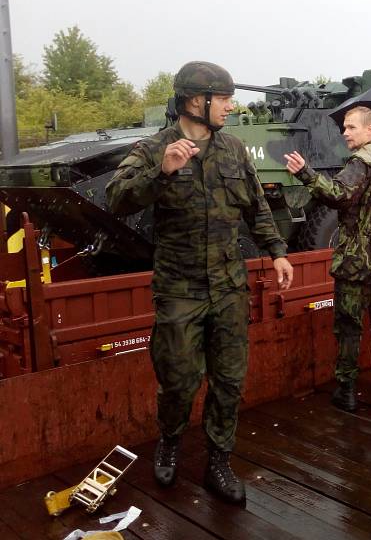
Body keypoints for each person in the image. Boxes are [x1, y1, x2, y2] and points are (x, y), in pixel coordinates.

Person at [106, 61, 294, 504]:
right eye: (225, 99)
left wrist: (278, 251)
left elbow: (256, 208)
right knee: (178, 381)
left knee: (229, 380)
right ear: (197, 101)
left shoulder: (232, 149)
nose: (231, 106)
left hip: (229, 288)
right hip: (179, 289)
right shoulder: (155, 148)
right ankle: (170, 442)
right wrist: (163, 172)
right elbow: (116, 198)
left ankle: (219, 461)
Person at [284, 106, 371, 413]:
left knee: (349, 327)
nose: (345, 133)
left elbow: (338, 195)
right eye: (344, 128)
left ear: (370, 130)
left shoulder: (359, 163)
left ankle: (348, 391)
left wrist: (306, 173)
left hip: (355, 260)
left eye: (351, 127)